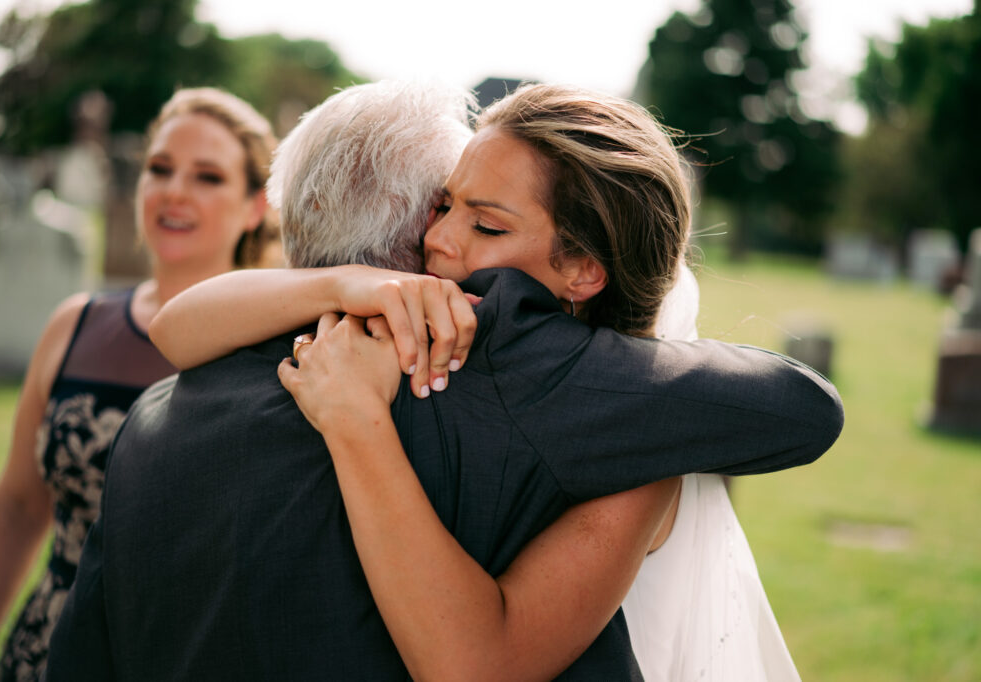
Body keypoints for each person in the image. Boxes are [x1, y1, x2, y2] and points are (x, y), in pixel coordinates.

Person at [46, 81, 842, 681]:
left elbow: (805, 408)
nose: (441, 241)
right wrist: (350, 291)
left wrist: (359, 416)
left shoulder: (157, 416)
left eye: (485, 223)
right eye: (444, 206)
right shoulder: (477, 367)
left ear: (582, 268)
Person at [0, 87, 277, 682]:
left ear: (255, 205)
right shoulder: (75, 324)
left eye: (207, 177)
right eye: (159, 169)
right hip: (42, 656)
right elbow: (19, 506)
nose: (175, 190)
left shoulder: (276, 350)